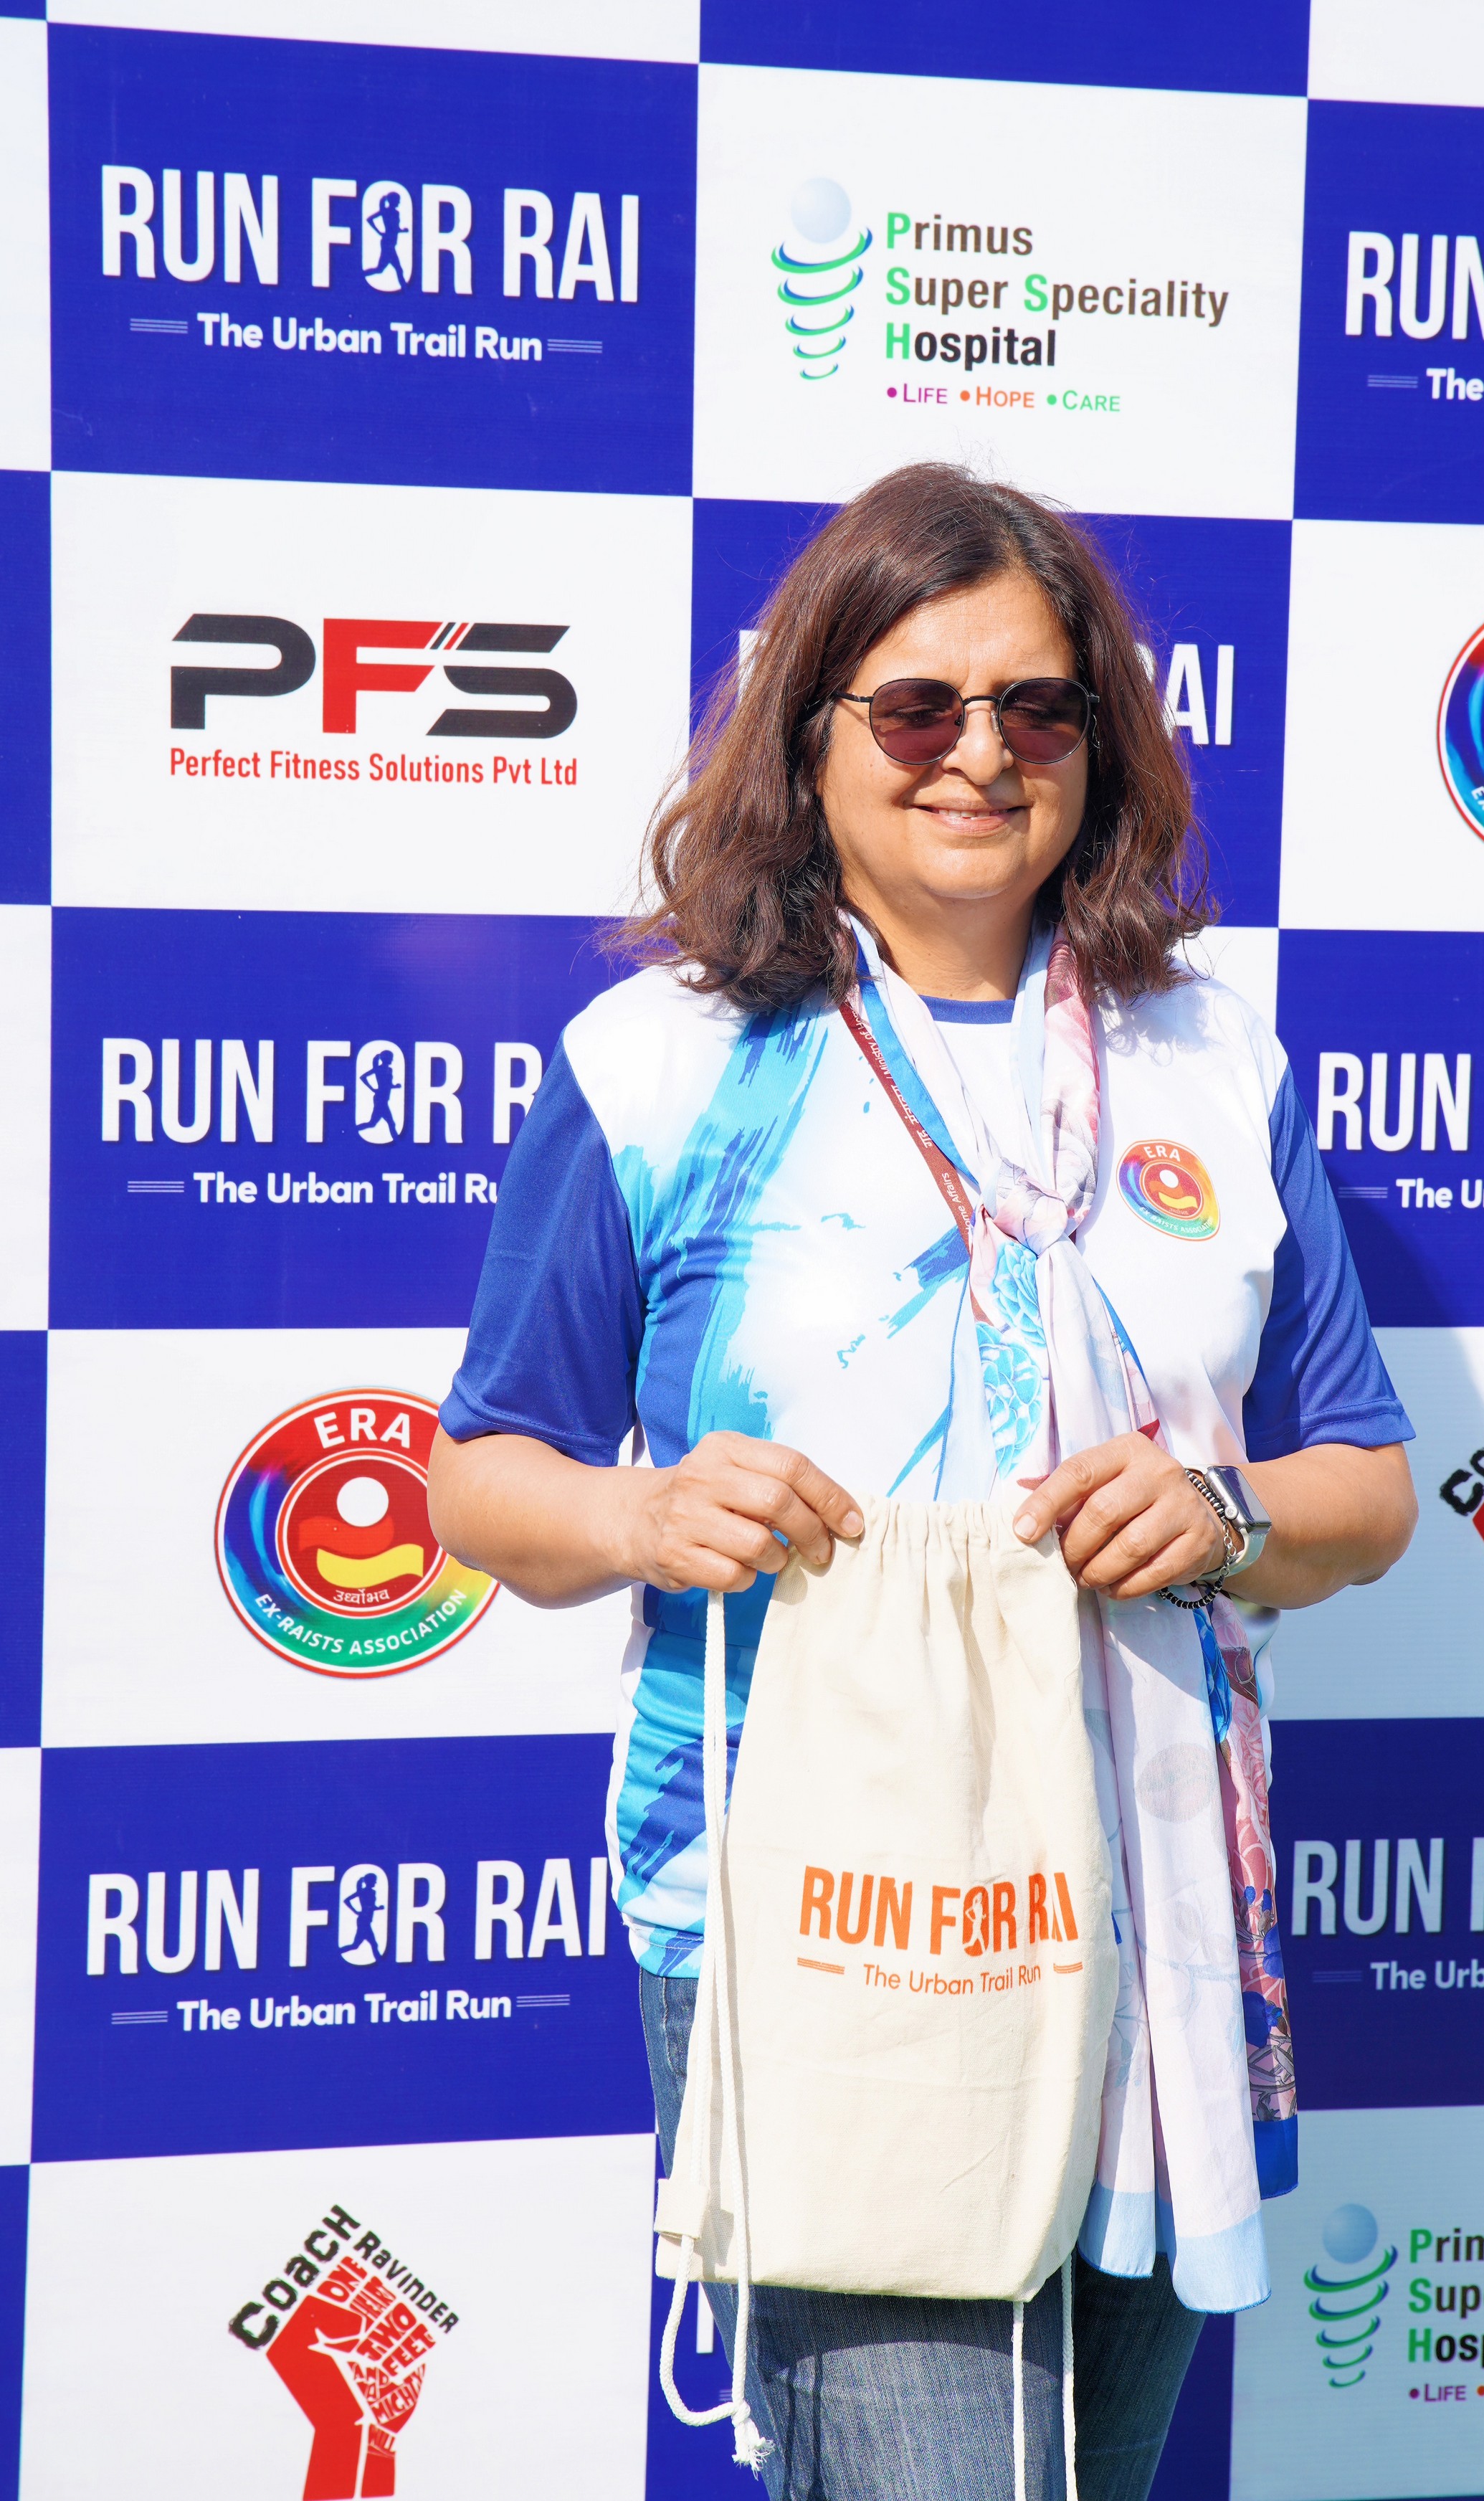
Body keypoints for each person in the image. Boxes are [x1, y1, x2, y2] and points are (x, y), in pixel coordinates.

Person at [428, 461, 1417, 2500]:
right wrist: (636, 1516)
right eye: (916, 707)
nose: (982, 753)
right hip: (819, 1909)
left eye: (1039, 707)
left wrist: (1225, 1518)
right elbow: (481, 1478)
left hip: (1157, 1910)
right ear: (812, 735)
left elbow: (1367, 1487)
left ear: (1100, 744)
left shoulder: (1211, 1054)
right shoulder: (664, 1062)